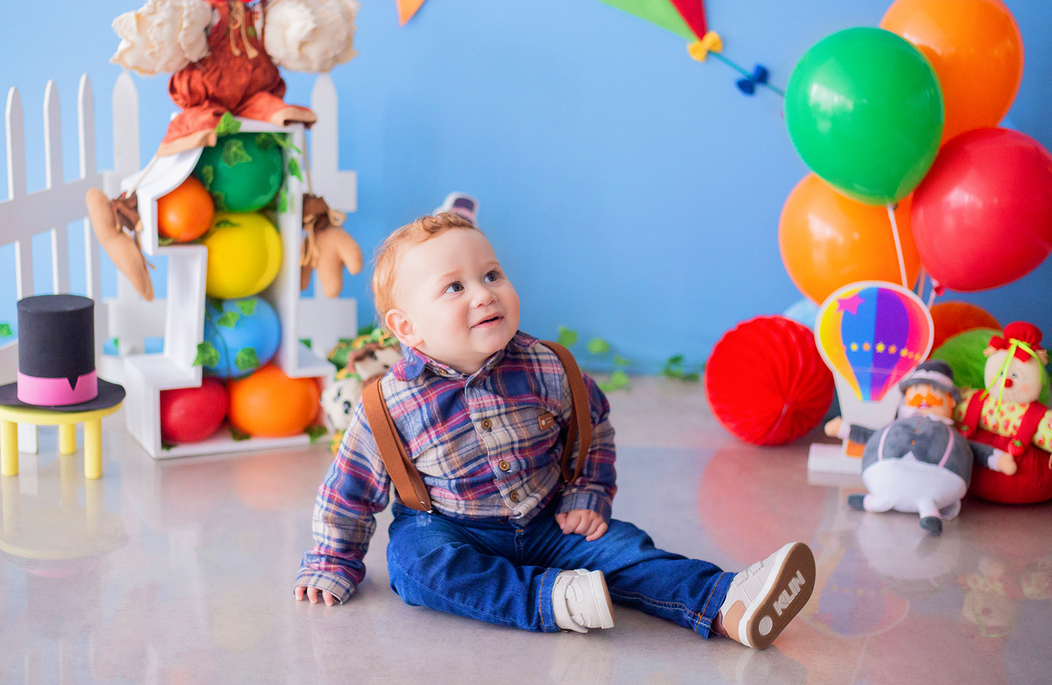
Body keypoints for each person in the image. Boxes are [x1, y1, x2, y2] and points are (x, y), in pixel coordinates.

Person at [294, 213, 815, 648]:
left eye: (492, 275)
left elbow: (593, 430)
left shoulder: (547, 366)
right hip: (451, 526)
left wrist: (587, 492)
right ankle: (551, 599)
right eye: (455, 287)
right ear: (407, 327)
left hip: (547, 518)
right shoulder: (387, 404)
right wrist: (331, 561)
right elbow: (350, 492)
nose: (484, 294)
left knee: (624, 550)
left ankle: (726, 602)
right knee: (414, 566)